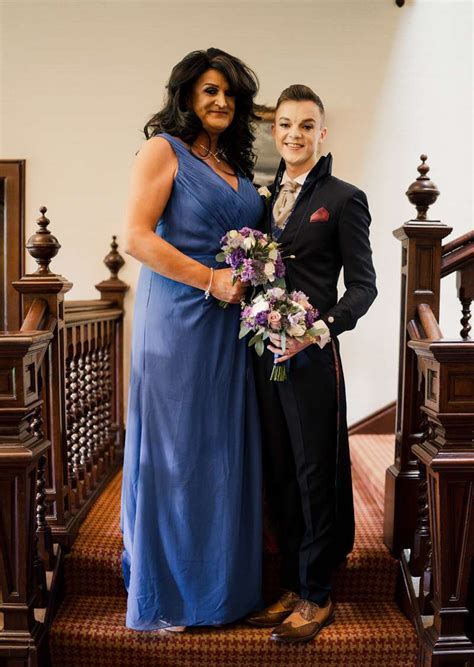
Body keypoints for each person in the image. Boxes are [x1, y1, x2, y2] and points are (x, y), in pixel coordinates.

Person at [121, 48, 264, 632]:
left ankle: (223, 589)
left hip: (230, 326)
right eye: (209, 90)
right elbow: (134, 236)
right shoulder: (164, 149)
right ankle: (171, 593)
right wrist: (210, 279)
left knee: (223, 448)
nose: (221, 101)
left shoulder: (233, 164)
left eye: (229, 92)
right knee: (178, 450)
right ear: (186, 96)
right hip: (180, 315)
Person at [248, 85, 377, 643]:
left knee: (312, 473)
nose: (295, 134)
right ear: (274, 133)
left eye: (306, 125)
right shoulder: (262, 201)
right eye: (285, 125)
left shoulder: (345, 198)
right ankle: (292, 584)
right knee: (278, 471)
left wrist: (316, 333)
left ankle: (317, 595)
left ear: (322, 134)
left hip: (311, 361)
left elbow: (364, 288)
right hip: (262, 359)